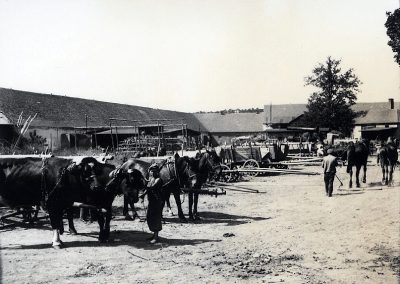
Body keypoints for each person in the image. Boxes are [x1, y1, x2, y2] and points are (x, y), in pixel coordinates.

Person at [141, 164, 163, 244]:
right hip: (151, 201)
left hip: (157, 201)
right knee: (149, 217)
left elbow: (151, 187)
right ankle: (154, 234)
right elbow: (148, 188)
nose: (152, 172)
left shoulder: (158, 180)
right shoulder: (150, 179)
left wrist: (141, 185)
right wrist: (143, 195)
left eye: (154, 171)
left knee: (156, 218)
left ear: (157, 172)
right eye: (151, 171)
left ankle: (156, 236)